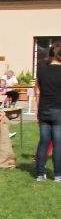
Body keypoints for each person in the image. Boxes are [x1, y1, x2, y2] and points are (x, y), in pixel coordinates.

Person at [34, 40, 61, 182]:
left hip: (44, 109)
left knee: (44, 142)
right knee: (58, 143)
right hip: (59, 110)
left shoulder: (41, 70)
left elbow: (38, 89)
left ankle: (40, 173)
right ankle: (58, 175)